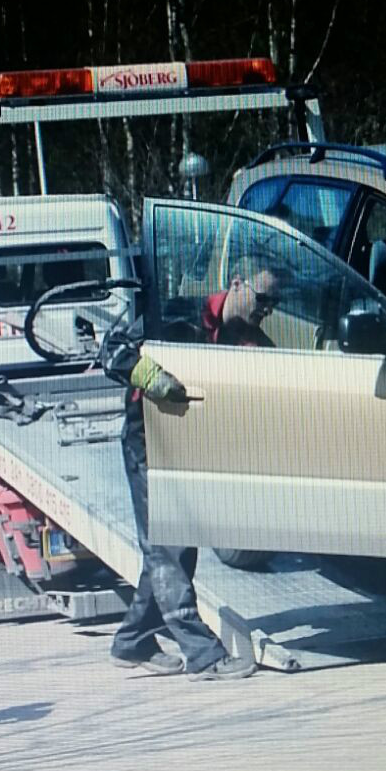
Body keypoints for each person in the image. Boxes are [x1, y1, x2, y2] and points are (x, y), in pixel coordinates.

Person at [98, 252, 291, 681]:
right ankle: (203, 654)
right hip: (150, 444)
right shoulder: (179, 314)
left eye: (274, 303)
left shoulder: (252, 344)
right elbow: (112, 351)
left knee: (169, 548)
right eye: (262, 298)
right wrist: (152, 379)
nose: (267, 310)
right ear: (236, 283)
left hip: (193, 452)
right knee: (171, 549)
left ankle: (131, 642)